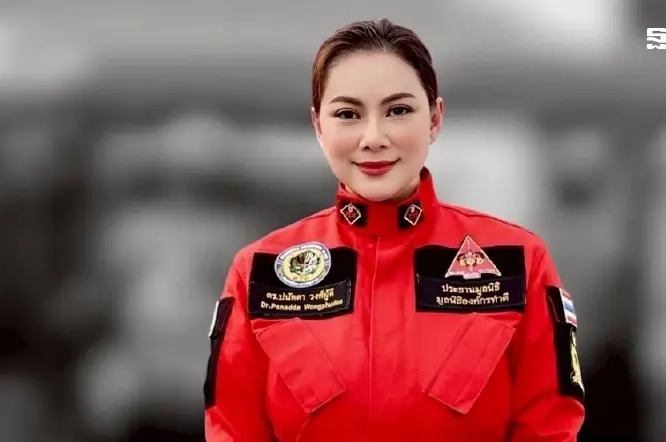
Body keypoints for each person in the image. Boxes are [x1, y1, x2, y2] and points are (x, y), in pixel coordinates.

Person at [203, 18, 585, 442]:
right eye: (348, 114)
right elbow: (232, 429)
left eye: (398, 111)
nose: (374, 137)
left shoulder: (518, 262)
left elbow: (550, 426)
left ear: (435, 119)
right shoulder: (260, 271)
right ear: (318, 126)